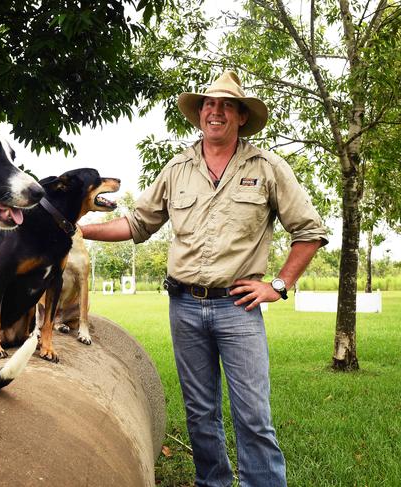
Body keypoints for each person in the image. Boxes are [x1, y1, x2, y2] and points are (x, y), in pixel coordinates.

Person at [80, 70, 328, 487]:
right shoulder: (177, 168)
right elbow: (137, 225)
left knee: (253, 415)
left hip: (238, 307)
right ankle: (212, 483)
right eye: (209, 104)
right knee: (199, 412)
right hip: (184, 306)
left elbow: (309, 231)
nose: (216, 111)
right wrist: (78, 228)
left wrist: (279, 286)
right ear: (199, 115)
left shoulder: (267, 167)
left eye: (226, 105)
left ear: (241, 116)